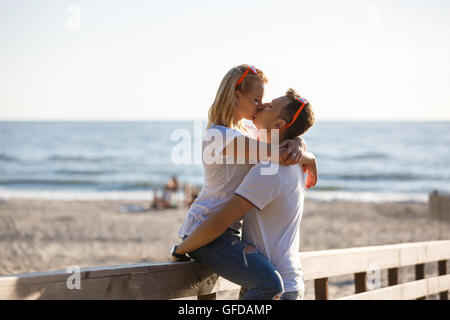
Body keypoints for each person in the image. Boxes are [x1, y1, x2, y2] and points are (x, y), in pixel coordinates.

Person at [172, 64, 313, 300]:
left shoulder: (246, 130)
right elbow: (278, 152)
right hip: (206, 228)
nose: (261, 105)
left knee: (264, 284)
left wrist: (300, 145)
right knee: (269, 284)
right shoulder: (218, 136)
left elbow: (279, 138)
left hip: (227, 232)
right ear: (237, 96)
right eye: (256, 99)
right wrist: (306, 155)